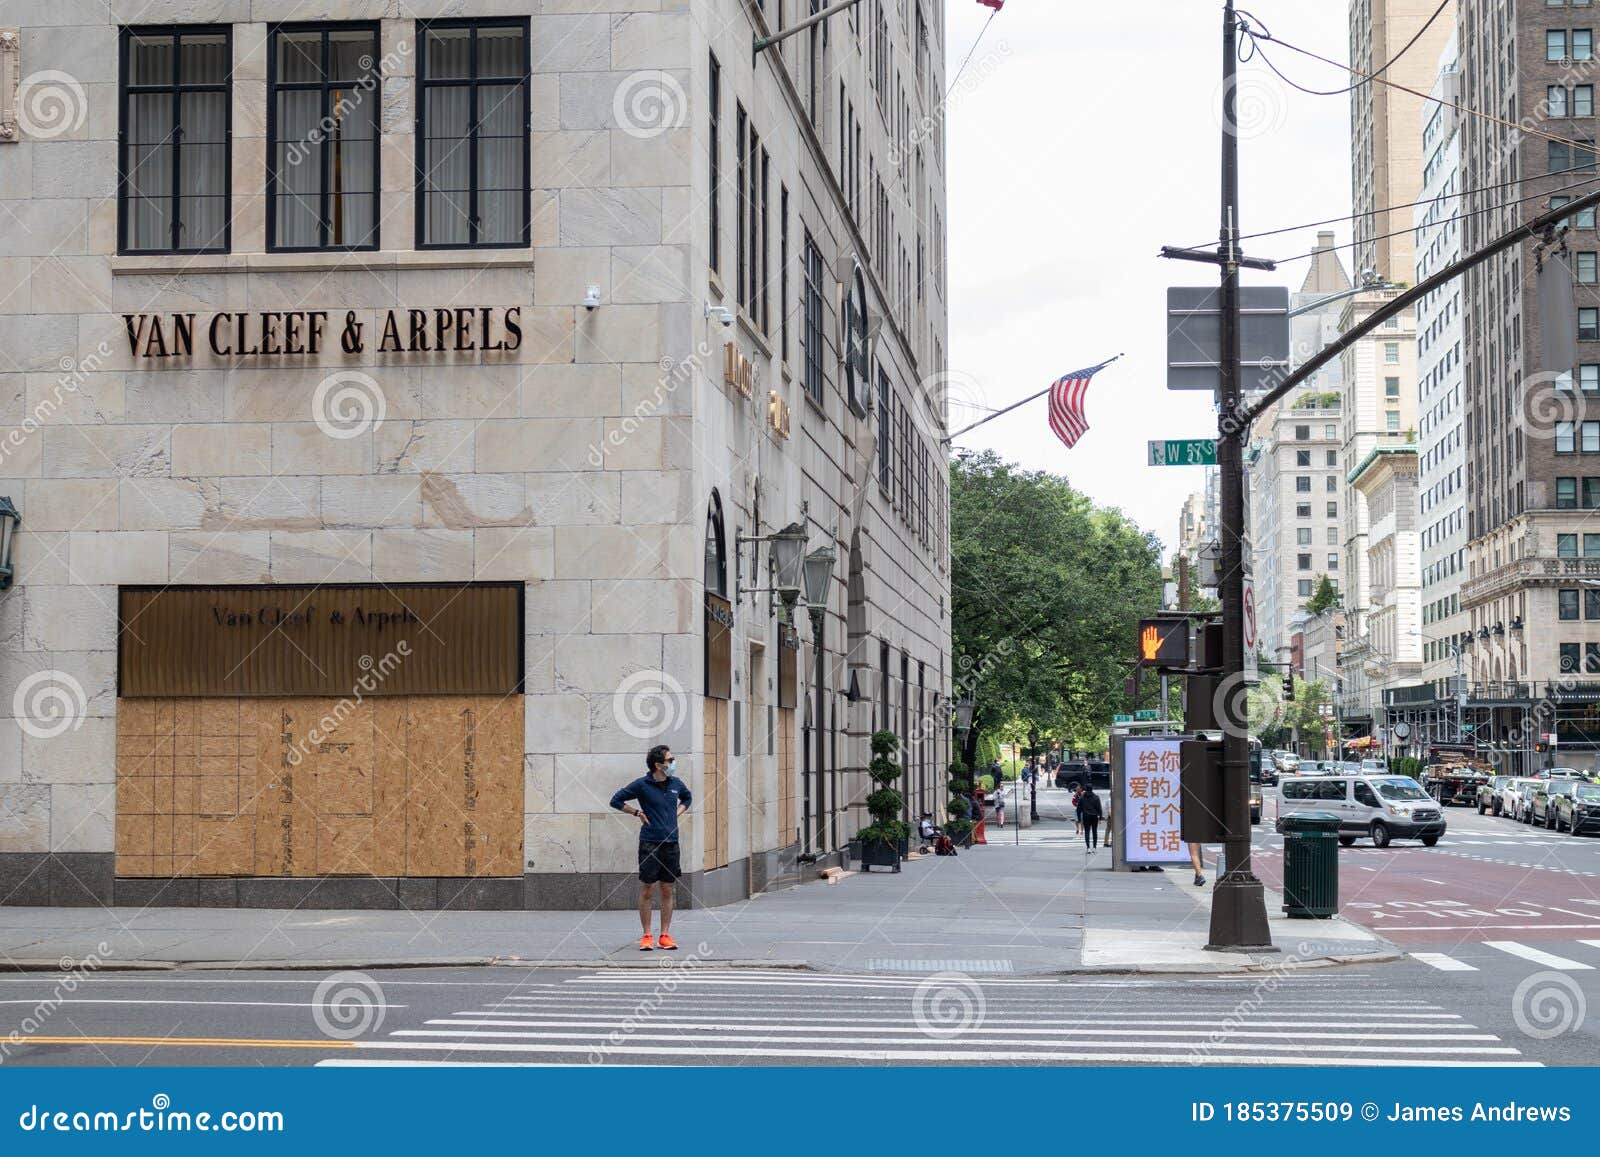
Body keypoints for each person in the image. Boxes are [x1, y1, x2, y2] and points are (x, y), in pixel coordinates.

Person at [609, 744, 692, 951]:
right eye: (670, 760)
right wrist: (637, 813)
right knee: (648, 888)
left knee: (667, 889)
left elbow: (688, 798)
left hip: (671, 843)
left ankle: (664, 935)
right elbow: (616, 800)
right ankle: (647, 935)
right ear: (658, 765)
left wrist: (677, 812)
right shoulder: (642, 784)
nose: (673, 763)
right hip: (650, 843)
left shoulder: (676, 783)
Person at [1079, 783, 1103, 852]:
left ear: (1085, 789)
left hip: (1086, 816)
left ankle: (1088, 847)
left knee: (1087, 832)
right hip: (1094, 816)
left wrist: (1078, 818)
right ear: (1092, 789)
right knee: (1094, 831)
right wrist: (1100, 817)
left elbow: (1079, 809)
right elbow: (1099, 808)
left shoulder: (1082, 798)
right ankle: (1094, 847)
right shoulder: (1096, 797)